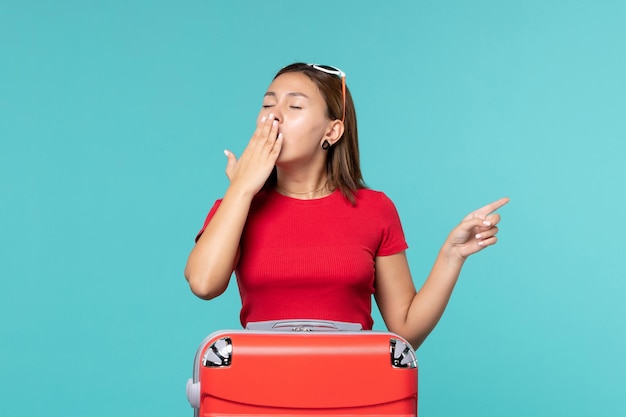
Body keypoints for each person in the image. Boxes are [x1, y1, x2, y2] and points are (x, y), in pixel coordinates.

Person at [184, 62, 508, 349]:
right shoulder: (235, 207)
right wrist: (241, 189)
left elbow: (406, 331)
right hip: (260, 390)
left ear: (332, 130)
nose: (273, 116)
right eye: (268, 104)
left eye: (294, 106)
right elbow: (203, 284)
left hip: (354, 389)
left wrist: (451, 255)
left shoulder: (375, 209)